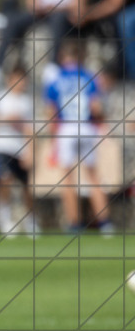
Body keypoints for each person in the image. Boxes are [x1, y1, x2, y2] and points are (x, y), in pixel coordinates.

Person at [43, 39, 114, 233]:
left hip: (66, 129)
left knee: (67, 178)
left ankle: (74, 223)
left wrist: (53, 139)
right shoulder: (89, 77)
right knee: (93, 177)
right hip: (86, 127)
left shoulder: (54, 79)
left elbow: (51, 112)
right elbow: (96, 107)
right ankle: (105, 223)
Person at [0, 65, 37, 234]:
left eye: (23, 79)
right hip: (3, 146)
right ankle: (5, 218)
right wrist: (7, 119)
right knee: (5, 180)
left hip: (20, 149)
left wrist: (30, 152)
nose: (20, 83)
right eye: (17, 79)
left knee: (27, 187)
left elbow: (30, 129)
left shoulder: (27, 102)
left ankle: (31, 220)